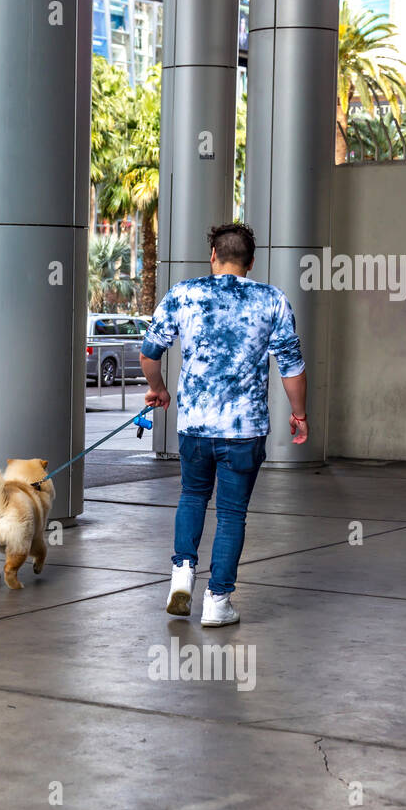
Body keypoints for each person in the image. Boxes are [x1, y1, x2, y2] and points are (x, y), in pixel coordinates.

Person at [138, 222, 307, 627]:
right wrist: (299, 414)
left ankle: (182, 574)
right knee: (232, 513)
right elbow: (292, 366)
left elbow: (149, 352)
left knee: (192, 497)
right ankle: (217, 601)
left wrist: (158, 389)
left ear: (213, 256)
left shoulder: (184, 294)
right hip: (244, 430)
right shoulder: (272, 300)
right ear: (251, 261)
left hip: (195, 425)